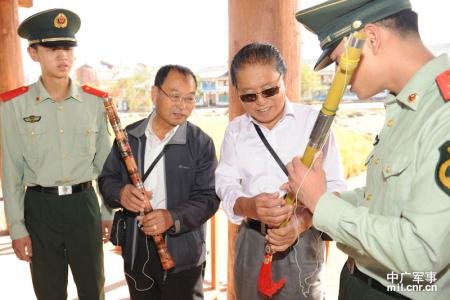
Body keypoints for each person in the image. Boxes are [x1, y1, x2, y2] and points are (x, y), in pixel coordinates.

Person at [291, 0, 450, 299]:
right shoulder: (405, 105)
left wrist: (323, 203)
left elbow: (422, 253)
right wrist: (320, 202)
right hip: (358, 282)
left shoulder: (443, 113)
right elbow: (384, 198)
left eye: (340, 63)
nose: (342, 78)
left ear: (372, 39)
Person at [215, 42, 347, 300]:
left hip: (304, 240)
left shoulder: (314, 123)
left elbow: (335, 188)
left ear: (284, 79)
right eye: (249, 96)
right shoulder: (235, 131)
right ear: (237, 93)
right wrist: (249, 206)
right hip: (252, 240)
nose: (261, 102)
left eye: (269, 90)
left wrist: (301, 221)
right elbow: (226, 184)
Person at [0, 8, 113, 300]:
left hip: (84, 205)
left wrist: (107, 211)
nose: (63, 56)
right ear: (34, 53)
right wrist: (17, 227)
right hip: (40, 209)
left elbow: (105, 166)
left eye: (68, 48)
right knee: (49, 293)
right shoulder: (14, 106)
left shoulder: (94, 103)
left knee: (93, 290)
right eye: (52, 49)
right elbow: (12, 173)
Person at [98, 64, 220, 300]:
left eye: (189, 98)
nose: (182, 106)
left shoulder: (201, 143)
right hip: (137, 248)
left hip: (183, 253)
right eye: (175, 96)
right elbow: (106, 180)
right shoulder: (130, 136)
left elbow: (209, 197)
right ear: (155, 94)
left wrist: (171, 217)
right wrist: (121, 193)